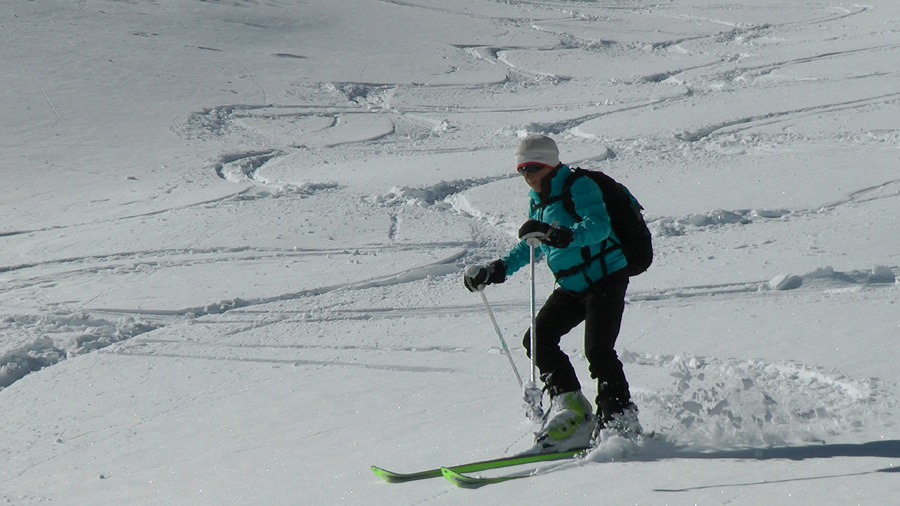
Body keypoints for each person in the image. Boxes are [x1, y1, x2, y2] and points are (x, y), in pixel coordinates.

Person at [464, 134, 641, 451]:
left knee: (598, 352)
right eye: (522, 170)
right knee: (537, 339)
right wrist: (497, 269)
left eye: (533, 167)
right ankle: (571, 410)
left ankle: (620, 420)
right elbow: (532, 243)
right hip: (572, 285)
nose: (528, 176)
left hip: (605, 279)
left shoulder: (578, 187)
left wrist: (560, 235)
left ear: (549, 163)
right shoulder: (540, 199)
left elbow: (599, 226)